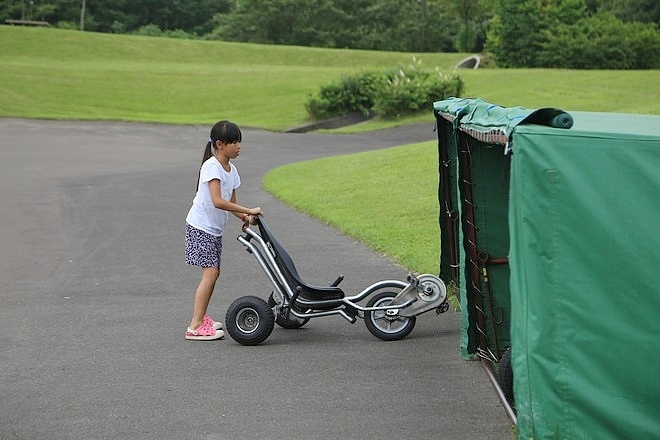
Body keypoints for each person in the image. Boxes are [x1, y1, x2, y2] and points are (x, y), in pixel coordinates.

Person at [184, 120, 263, 340]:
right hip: (201, 227)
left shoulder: (232, 170)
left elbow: (231, 202)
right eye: (234, 142)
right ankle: (195, 326)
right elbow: (218, 201)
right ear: (220, 144)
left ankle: (200, 318)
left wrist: (246, 217)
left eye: (239, 142)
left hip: (213, 229)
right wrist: (248, 209)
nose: (239, 146)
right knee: (211, 273)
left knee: (213, 274)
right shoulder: (211, 167)